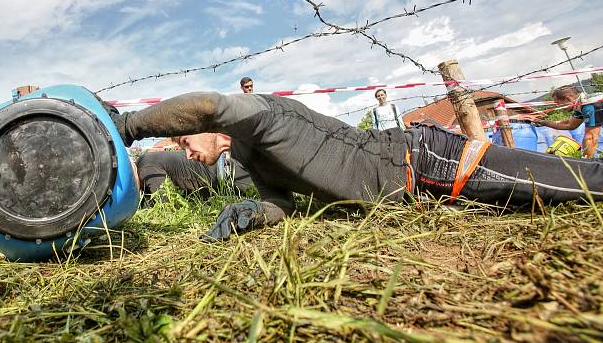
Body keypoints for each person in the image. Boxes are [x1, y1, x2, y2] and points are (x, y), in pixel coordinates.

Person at [113, 91, 603, 240]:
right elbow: (280, 202)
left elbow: (207, 104)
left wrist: (129, 127)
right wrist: (253, 215)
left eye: (181, 137)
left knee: (580, 184)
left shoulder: (265, 119)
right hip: (420, 190)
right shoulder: (245, 156)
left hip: (426, 162)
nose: (182, 149)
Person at [135, 150, 253, 206]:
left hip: (230, 174)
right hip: (223, 176)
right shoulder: (144, 161)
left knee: (267, 195)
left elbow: (166, 203)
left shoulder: (147, 170)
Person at [532, 85, 601, 158]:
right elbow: (569, 124)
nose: (558, 106)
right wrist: (542, 122)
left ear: (568, 99)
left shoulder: (588, 105)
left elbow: (591, 138)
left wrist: (586, 164)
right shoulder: (580, 105)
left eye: (558, 103)